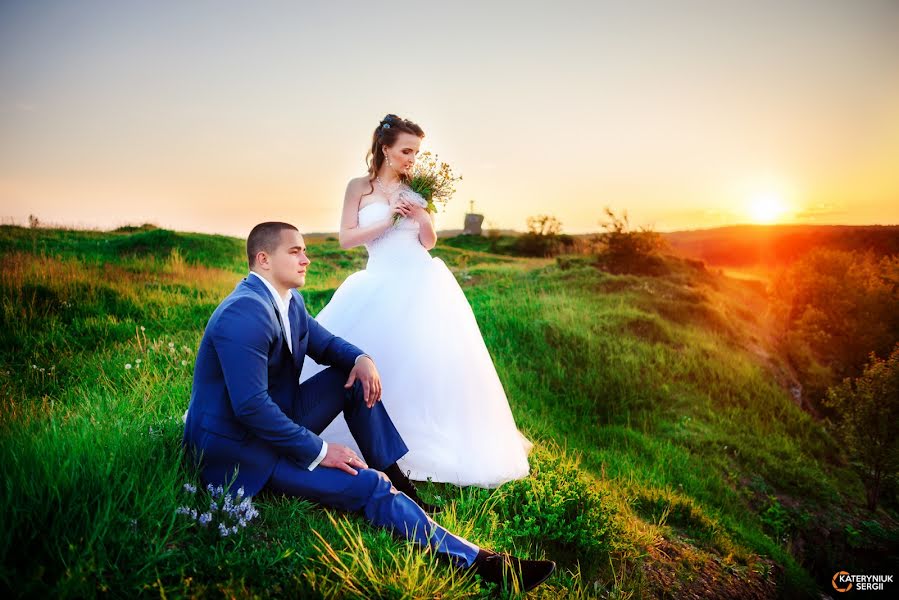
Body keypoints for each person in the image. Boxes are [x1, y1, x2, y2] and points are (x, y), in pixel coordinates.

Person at [182, 222, 555, 592]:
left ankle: (396, 481)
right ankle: (481, 564)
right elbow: (250, 409)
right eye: (295, 251)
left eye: (305, 250)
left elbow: (324, 343)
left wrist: (362, 359)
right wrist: (322, 451)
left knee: (353, 380)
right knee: (368, 486)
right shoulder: (245, 313)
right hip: (240, 449)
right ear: (263, 259)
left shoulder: (287, 300)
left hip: (275, 419)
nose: (306, 259)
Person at [300, 114, 531, 488]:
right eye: (406, 150)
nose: (412, 158)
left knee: (428, 362)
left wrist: (422, 215)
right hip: (378, 279)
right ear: (384, 148)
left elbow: (429, 240)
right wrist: (389, 218)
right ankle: (369, 436)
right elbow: (346, 238)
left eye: (417, 152)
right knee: (377, 356)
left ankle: (424, 442)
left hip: (423, 280)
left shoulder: (417, 186)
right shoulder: (359, 186)